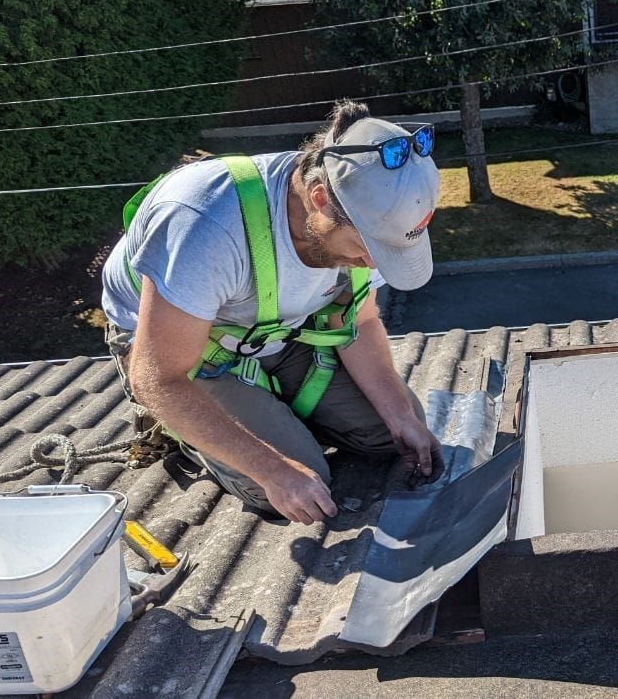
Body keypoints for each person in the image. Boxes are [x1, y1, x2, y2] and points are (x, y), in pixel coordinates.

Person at [101, 101, 444, 525]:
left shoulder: (362, 216)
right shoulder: (206, 224)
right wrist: (273, 469)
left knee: (397, 433)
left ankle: (277, 413)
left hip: (279, 329)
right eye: (367, 252)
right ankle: (199, 434)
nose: (373, 266)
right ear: (319, 200)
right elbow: (158, 378)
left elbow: (356, 320)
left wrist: (400, 416)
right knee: (300, 481)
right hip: (188, 354)